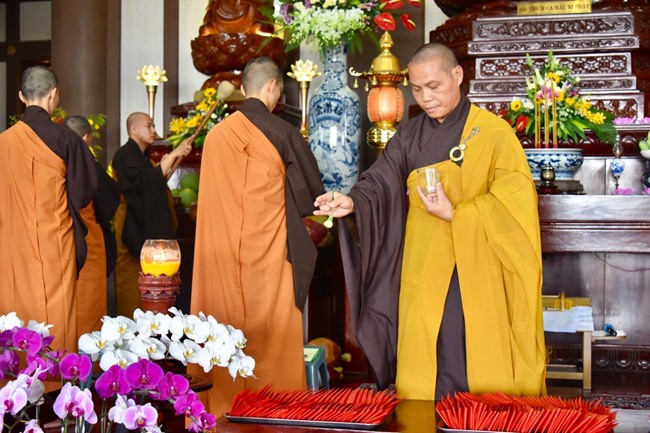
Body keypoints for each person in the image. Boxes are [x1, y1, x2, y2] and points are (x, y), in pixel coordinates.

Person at [314, 43, 547, 401]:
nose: (425, 98)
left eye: (434, 86)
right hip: (423, 267)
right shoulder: (410, 136)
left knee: (466, 345)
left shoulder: (493, 134)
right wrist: (353, 200)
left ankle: (478, 421)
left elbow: (514, 202)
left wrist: (457, 213)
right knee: (427, 352)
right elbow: (381, 180)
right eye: (418, 89)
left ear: (457, 75)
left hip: (475, 268)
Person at [190, 57, 324, 416]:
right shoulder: (282, 132)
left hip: (220, 257)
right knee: (273, 331)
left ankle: (219, 407)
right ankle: (277, 410)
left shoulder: (216, 136)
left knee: (222, 323)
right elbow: (310, 194)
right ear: (273, 87)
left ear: (243, 87)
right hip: (269, 257)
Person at [0, 65, 97, 352]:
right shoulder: (66, 139)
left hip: (12, 247)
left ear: (21, 96)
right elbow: (84, 191)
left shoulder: (3, 143)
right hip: (55, 245)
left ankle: (14, 378)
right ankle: (57, 378)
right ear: (54, 94)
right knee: (57, 318)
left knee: (14, 313)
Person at [111, 113, 191, 316]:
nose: (154, 130)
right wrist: (173, 155)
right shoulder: (124, 155)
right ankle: (129, 328)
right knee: (131, 287)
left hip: (145, 228)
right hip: (130, 228)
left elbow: (152, 183)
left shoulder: (144, 158)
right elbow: (144, 184)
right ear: (134, 129)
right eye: (149, 126)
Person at [64, 115, 120, 335]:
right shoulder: (89, 165)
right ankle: (87, 354)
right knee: (88, 302)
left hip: (59, 239)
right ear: (87, 137)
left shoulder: (55, 161)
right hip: (88, 240)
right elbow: (109, 202)